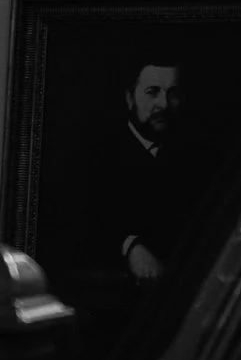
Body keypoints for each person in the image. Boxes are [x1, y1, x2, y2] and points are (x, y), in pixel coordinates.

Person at [85, 58, 205, 286]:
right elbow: (89, 223)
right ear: (130, 99)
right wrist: (131, 246)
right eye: (152, 92)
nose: (164, 104)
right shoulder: (99, 154)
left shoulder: (196, 156)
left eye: (173, 94)